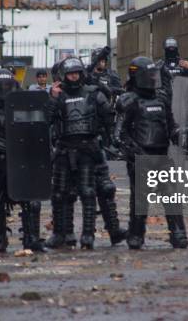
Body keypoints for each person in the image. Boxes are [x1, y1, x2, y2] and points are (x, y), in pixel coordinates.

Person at [114, 56, 187, 250]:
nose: (153, 79)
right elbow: (119, 134)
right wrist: (133, 150)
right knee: (140, 200)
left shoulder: (161, 98)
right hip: (141, 157)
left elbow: (170, 124)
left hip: (162, 155)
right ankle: (136, 235)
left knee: (171, 196)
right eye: (149, 75)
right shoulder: (128, 100)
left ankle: (178, 234)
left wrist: (178, 135)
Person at [45, 56, 114, 250]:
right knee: (59, 194)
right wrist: (53, 99)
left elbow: (108, 117)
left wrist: (109, 139)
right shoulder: (57, 95)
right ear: (64, 76)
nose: (74, 77)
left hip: (87, 149)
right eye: (70, 74)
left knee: (88, 192)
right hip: (64, 149)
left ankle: (88, 235)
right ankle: (61, 234)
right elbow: (46, 120)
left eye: (76, 73)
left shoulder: (93, 93)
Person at [0, 69, 46, 253]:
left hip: (20, 161)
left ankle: (31, 238)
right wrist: (6, 146)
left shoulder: (22, 106)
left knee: (31, 200)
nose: (4, 90)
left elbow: (34, 131)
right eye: (1, 87)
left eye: (7, 86)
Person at [83, 47, 127, 245]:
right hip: (82, 133)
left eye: (104, 60)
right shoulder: (87, 77)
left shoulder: (111, 76)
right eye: (99, 60)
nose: (102, 63)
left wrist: (108, 90)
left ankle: (114, 230)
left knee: (105, 187)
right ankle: (82, 232)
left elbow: (119, 91)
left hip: (104, 116)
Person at [160, 37, 188, 155]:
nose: (171, 51)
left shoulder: (184, 64)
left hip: (184, 101)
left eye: (173, 49)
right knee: (166, 128)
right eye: (169, 49)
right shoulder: (161, 65)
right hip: (167, 102)